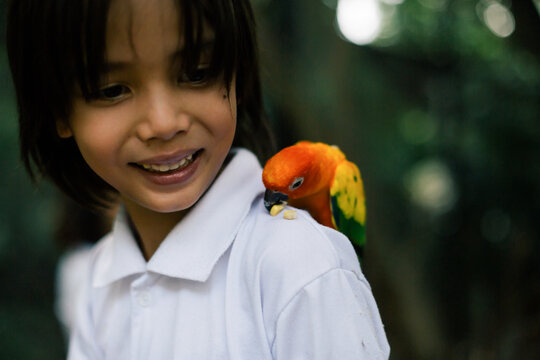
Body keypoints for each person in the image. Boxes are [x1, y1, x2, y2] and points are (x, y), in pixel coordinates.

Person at [7, 0, 390, 358]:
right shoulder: (98, 284)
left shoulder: (299, 267)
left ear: (237, 71)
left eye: (196, 73)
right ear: (57, 109)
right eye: (112, 90)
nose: (163, 123)